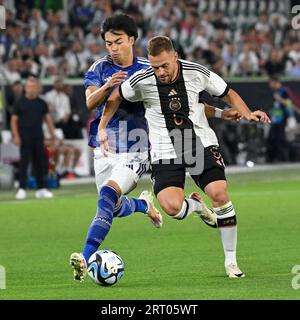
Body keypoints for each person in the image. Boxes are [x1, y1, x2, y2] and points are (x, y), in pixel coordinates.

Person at [99, 36, 271, 278]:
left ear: (175, 56)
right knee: (172, 208)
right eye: (154, 66)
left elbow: (226, 93)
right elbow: (116, 96)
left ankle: (231, 262)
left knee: (219, 194)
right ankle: (197, 206)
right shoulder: (142, 80)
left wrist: (247, 113)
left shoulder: (196, 72)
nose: (160, 72)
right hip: (164, 150)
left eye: (164, 66)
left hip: (197, 143)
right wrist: (102, 126)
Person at [10, 77, 56, 200]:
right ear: (25, 88)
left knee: (40, 164)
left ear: (37, 88)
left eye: (34, 86)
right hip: (24, 138)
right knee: (24, 164)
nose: (32, 89)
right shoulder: (19, 103)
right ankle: (21, 189)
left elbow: (48, 119)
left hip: (38, 137)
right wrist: (16, 136)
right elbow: (14, 121)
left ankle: (41, 189)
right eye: (29, 86)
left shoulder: (41, 103)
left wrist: (53, 135)